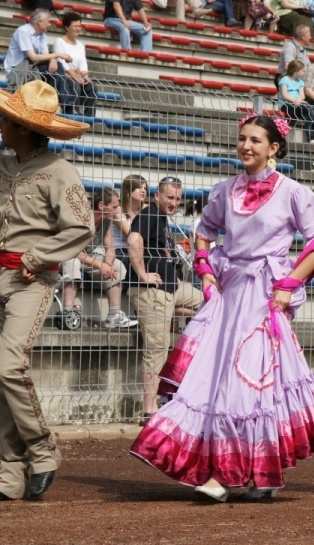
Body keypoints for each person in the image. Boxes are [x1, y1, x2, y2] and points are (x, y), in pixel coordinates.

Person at [130, 115, 314, 502]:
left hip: (264, 296)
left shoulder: (295, 192)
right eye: (242, 139)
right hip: (229, 296)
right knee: (224, 377)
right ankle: (263, 475)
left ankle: (228, 474)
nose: (246, 146)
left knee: (247, 382)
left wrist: (289, 284)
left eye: (256, 140)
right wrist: (206, 273)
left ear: (274, 148)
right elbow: (204, 233)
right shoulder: (224, 190)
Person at [0, 80, 92, 501]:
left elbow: (82, 228)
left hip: (30, 280)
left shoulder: (59, 171)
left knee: (7, 366)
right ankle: (10, 475)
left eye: (6, 120)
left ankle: (43, 449)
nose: (1, 125)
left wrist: (36, 258)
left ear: (20, 127)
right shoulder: (3, 166)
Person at [127, 177, 204, 421]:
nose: (173, 203)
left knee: (209, 303)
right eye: (169, 198)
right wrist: (142, 273)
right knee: (157, 349)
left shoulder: (162, 219)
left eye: (177, 199)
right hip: (152, 291)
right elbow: (134, 240)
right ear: (157, 196)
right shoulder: (149, 215)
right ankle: (150, 410)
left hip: (171, 288)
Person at [59, 187, 139, 329]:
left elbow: (111, 249)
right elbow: (73, 250)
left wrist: (107, 263)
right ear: (101, 205)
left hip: (89, 255)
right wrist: (99, 265)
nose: (117, 210)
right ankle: (67, 312)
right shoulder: (82, 218)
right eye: (114, 207)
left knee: (118, 266)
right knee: (72, 262)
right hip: (68, 254)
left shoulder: (107, 220)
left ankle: (114, 315)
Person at [4, 9, 72, 90]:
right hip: (17, 69)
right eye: (48, 21)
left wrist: (52, 59)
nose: (50, 25)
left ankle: (56, 99)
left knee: (57, 67)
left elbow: (46, 55)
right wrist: (57, 55)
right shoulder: (23, 31)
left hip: (32, 67)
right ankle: (63, 101)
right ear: (40, 22)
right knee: (56, 69)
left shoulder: (42, 35)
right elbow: (33, 57)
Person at [52, 12, 97, 118]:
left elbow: (83, 63)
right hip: (65, 77)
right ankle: (72, 114)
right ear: (67, 27)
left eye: (79, 26)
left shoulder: (80, 45)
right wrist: (75, 76)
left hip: (77, 76)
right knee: (74, 85)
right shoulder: (59, 42)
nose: (78, 28)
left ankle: (89, 117)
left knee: (92, 87)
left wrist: (85, 76)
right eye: (75, 26)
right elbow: (61, 62)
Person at [278, 59, 314, 143]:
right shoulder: (284, 80)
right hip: (286, 105)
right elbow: (285, 95)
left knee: (307, 114)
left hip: (299, 104)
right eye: (302, 71)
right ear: (296, 71)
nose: (304, 73)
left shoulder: (300, 82)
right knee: (307, 109)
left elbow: (302, 95)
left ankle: (312, 138)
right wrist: (295, 100)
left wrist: (299, 100)